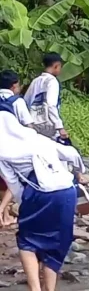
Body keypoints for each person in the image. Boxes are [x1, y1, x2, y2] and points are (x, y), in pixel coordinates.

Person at [0, 108, 85, 291]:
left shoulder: (2, 150)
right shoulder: (37, 139)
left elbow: (13, 183)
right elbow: (72, 154)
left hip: (40, 193)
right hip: (66, 192)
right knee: (56, 244)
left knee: (27, 241)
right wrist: (79, 171)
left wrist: (25, 203)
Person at [0, 70, 34, 227]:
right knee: (13, 179)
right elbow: (29, 126)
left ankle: (6, 215)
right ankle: (3, 211)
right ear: (14, 86)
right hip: (11, 147)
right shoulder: (17, 102)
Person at [23, 53, 67, 141]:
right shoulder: (53, 81)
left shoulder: (35, 81)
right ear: (56, 66)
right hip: (48, 123)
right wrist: (59, 127)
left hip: (33, 122)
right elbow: (51, 105)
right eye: (60, 67)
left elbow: (26, 101)